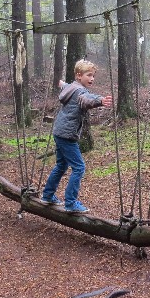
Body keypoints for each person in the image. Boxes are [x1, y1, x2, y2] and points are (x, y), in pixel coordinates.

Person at [41, 59, 113, 213]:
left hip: (59, 131)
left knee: (61, 165)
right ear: (79, 76)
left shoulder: (71, 87)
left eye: (93, 76)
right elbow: (86, 100)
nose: (92, 78)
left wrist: (61, 84)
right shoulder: (80, 92)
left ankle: (47, 195)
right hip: (67, 135)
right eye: (89, 75)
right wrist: (100, 100)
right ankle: (70, 203)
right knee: (79, 167)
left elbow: (66, 86)